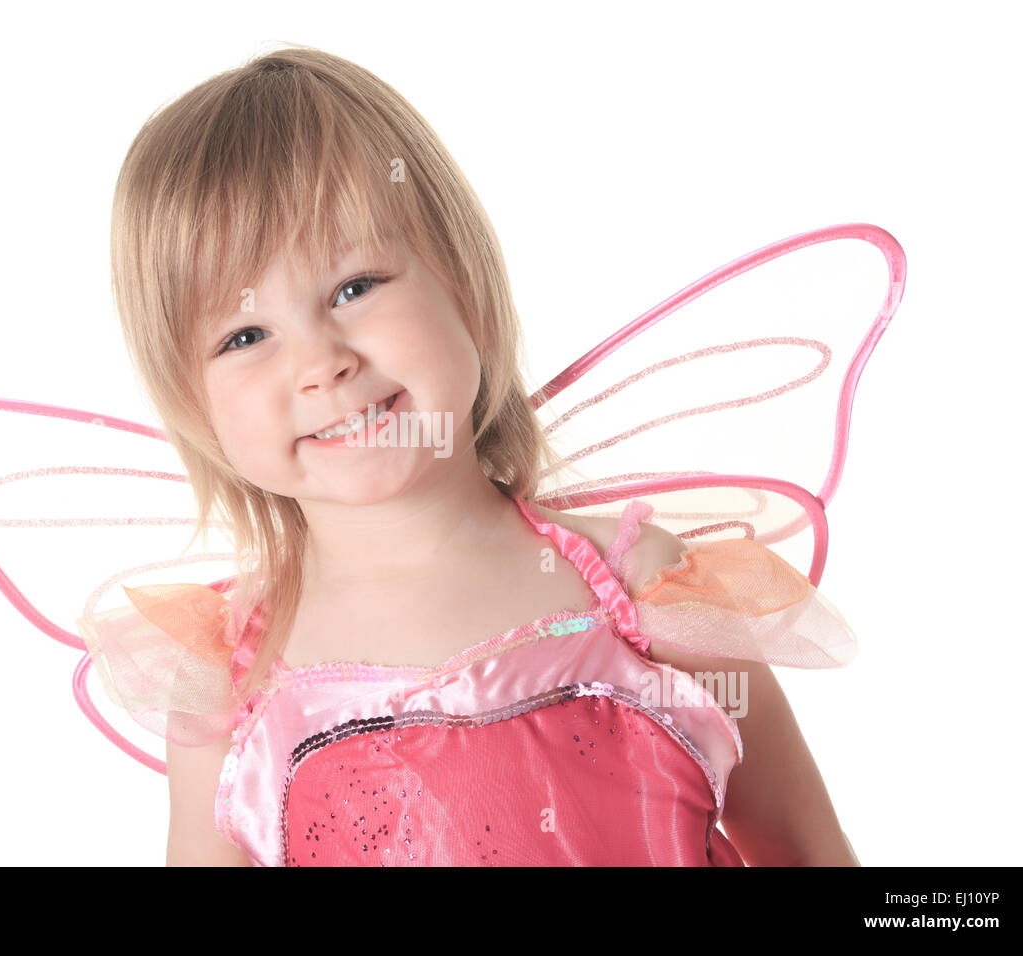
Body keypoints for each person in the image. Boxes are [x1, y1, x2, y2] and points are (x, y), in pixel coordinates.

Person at [77, 45, 862, 866]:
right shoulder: (227, 690)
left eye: (355, 287)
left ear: (464, 281)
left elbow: (806, 851)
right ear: (189, 399)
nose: (321, 364)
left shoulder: (648, 598)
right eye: (245, 335)